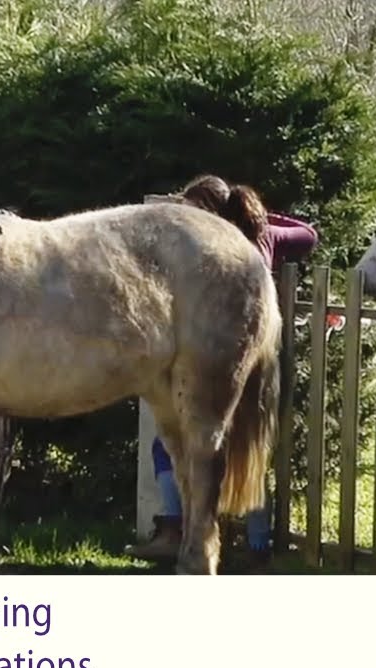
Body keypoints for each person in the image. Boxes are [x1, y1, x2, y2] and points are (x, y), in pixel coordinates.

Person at [125, 174, 319, 568]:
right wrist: (264, 218)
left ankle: (177, 529)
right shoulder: (264, 237)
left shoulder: (208, 248)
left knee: (185, 444)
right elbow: (308, 235)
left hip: (219, 357)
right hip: (259, 355)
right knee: (247, 446)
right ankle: (257, 547)